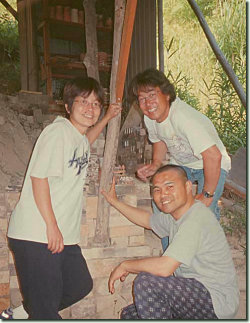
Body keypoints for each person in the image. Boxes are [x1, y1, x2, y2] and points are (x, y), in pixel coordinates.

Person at [1, 77, 121, 320]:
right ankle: (35, 311)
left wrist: (107, 118)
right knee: (47, 312)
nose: (90, 108)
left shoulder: (77, 137)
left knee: (80, 284)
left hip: (60, 236)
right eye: (83, 102)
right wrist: (52, 226)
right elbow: (39, 179)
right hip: (37, 235)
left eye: (96, 104)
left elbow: (86, 142)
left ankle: (25, 312)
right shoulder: (57, 133)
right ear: (68, 106)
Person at [101, 164, 239, 319]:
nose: (163, 194)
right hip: (193, 291)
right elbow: (147, 220)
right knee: (130, 315)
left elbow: (164, 267)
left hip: (216, 301)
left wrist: (126, 265)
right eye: (157, 189)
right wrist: (114, 202)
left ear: (187, 186)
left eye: (170, 187)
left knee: (147, 283)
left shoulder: (196, 219)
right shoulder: (176, 216)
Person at [129, 68, 231, 251]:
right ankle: (170, 254)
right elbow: (159, 139)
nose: (147, 103)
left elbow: (213, 156)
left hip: (212, 163)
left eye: (152, 95)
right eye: (142, 98)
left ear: (167, 94)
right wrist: (156, 164)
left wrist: (207, 195)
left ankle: (209, 254)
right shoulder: (151, 117)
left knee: (201, 212)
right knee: (162, 200)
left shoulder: (184, 118)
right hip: (184, 164)